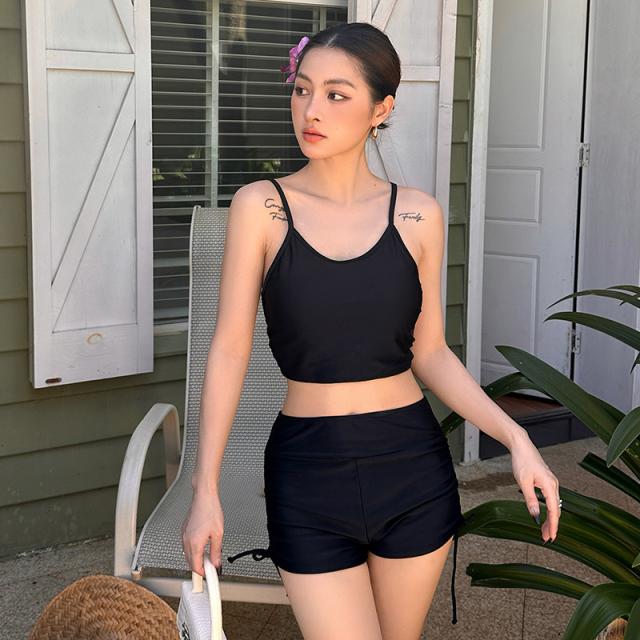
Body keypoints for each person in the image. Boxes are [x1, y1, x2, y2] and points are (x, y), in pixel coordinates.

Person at [181, 21, 562, 640]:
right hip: (308, 470)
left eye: (336, 94)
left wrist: (516, 438)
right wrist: (206, 489)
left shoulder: (417, 215)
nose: (311, 110)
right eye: (302, 90)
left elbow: (430, 353)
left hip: (411, 465)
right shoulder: (261, 208)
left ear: (381, 109)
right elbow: (228, 352)